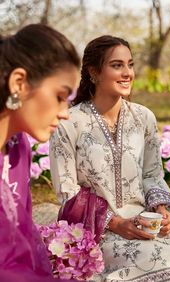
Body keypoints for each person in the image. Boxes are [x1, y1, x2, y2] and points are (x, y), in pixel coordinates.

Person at [49, 35, 170, 281]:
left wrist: (162, 211)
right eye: (117, 65)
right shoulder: (68, 123)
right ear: (94, 72)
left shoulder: (143, 118)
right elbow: (67, 192)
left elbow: (152, 174)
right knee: (158, 259)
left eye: (130, 64)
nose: (127, 73)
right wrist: (116, 223)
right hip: (98, 230)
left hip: (145, 222)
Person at [0, 24, 81, 281]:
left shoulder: (18, 148)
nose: (65, 112)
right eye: (60, 96)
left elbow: (20, 237)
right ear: (19, 83)